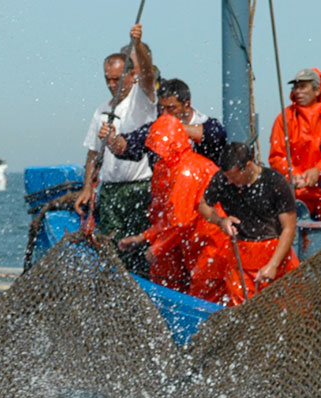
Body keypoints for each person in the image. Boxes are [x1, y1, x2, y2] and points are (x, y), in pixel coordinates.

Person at [74, 23, 157, 276]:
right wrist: (88, 187)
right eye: (107, 79)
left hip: (140, 188)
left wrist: (138, 45)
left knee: (139, 250)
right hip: (110, 191)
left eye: (117, 79)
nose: (112, 85)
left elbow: (149, 74)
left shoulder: (143, 98)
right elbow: (92, 152)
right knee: (111, 248)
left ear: (131, 75)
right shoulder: (101, 110)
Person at [116, 114, 227, 298]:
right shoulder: (170, 168)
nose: (155, 154)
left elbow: (180, 222)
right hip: (192, 241)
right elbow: (170, 218)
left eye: (159, 148)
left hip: (213, 242)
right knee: (175, 279)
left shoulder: (186, 171)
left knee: (204, 292)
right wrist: (142, 237)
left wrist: (157, 247)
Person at [199, 142, 299, 306]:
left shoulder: (275, 183)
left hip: (275, 256)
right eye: (227, 177)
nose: (230, 181)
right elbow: (204, 206)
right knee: (242, 311)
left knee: (285, 308)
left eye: (234, 176)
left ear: (248, 165)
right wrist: (220, 221)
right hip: (241, 259)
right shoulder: (222, 180)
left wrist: (273, 265)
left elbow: (289, 228)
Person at [267, 68, 321, 220]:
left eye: (303, 87)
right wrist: (293, 174)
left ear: (317, 91)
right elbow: (276, 156)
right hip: (296, 193)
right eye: (295, 87)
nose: (298, 91)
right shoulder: (284, 118)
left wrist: (318, 170)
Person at [102, 77, 228, 168]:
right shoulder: (156, 128)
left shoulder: (208, 124)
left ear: (187, 105)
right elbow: (127, 146)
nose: (165, 114)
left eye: (171, 108)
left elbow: (217, 135)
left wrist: (174, 129)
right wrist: (112, 140)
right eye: (162, 108)